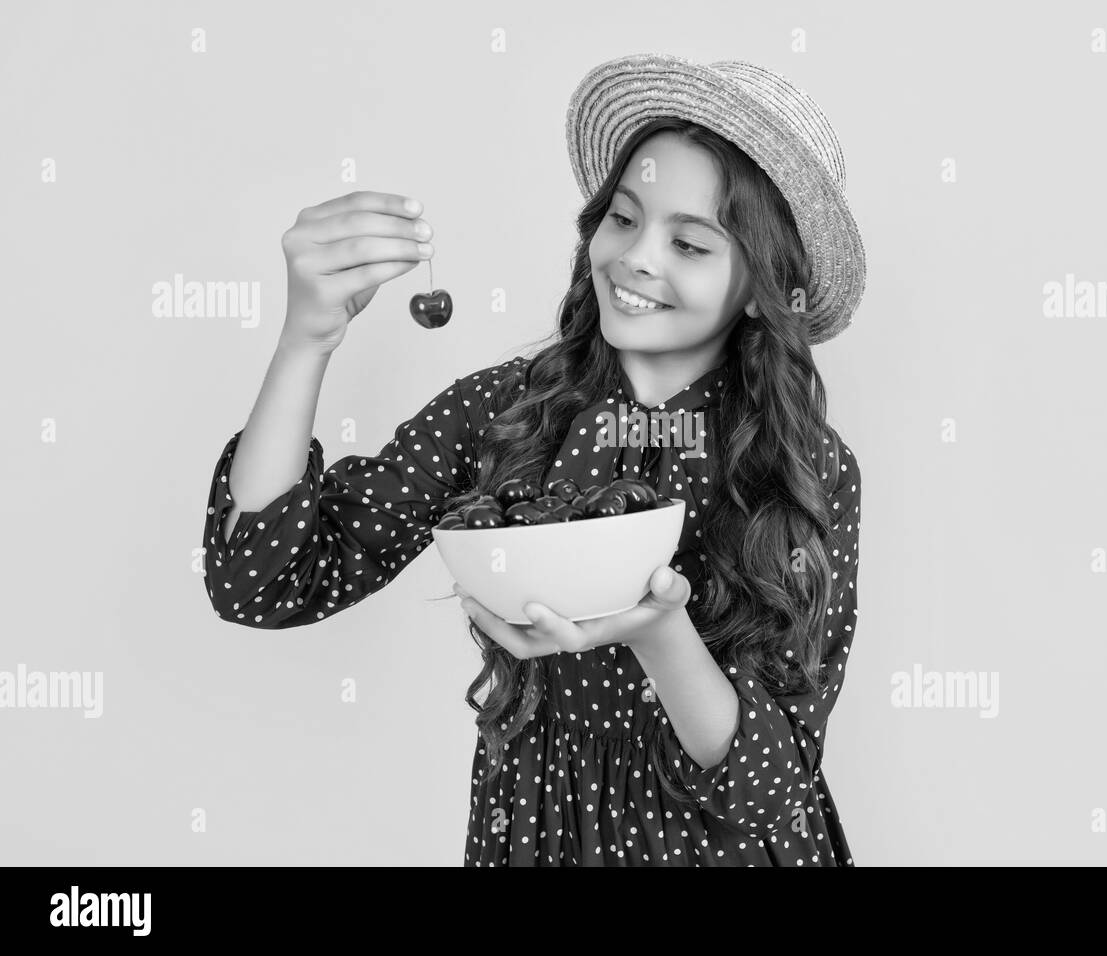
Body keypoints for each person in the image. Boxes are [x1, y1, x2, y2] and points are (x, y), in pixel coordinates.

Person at [202, 52, 867, 866]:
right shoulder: (504, 412)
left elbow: (768, 789)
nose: (637, 258)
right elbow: (261, 583)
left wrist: (662, 634)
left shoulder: (805, 467)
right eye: (624, 219)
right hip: (541, 836)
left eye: (690, 243)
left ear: (763, 286)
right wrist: (307, 338)